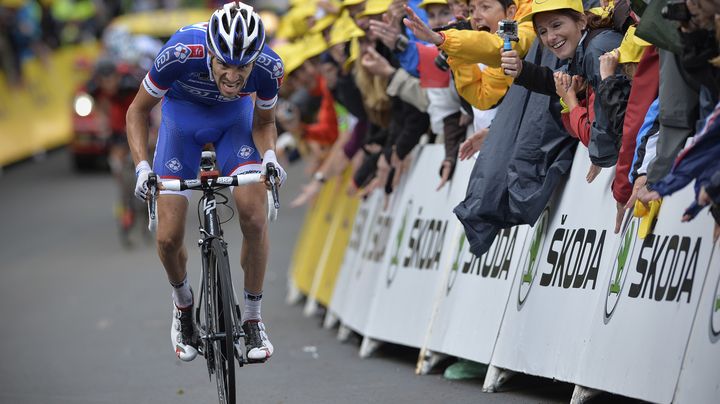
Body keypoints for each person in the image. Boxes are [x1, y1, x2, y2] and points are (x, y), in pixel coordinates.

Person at [127, 1, 286, 363]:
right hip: (182, 123)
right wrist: (141, 167)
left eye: (242, 66)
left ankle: (252, 318)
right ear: (210, 53)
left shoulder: (269, 66)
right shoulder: (181, 52)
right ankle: (184, 308)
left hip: (236, 124)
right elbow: (136, 111)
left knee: (254, 216)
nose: (233, 76)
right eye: (224, 64)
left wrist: (270, 158)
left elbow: (264, 123)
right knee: (168, 237)